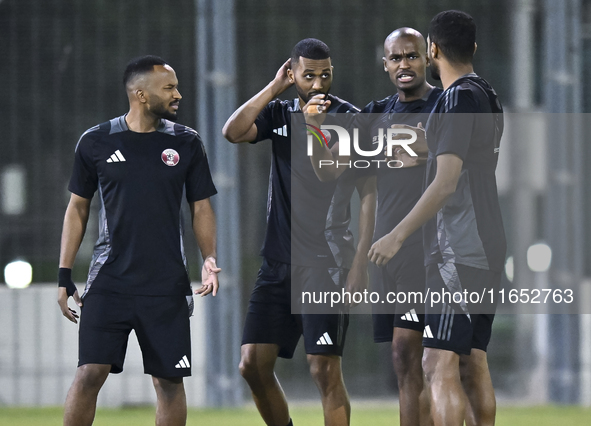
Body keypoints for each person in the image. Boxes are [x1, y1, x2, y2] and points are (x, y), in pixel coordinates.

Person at [57, 55, 220, 426]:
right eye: (169, 88)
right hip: (109, 282)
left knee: (169, 381)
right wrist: (64, 274)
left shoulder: (187, 142)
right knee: (89, 374)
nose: (178, 94)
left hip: (167, 285)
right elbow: (77, 210)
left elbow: (201, 208)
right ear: (141, 95)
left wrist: (209, 258)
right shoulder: (96, 141)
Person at [222, 38, 374, 426]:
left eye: (326, 75)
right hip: (277, 262)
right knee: (252, 364)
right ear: (293, 74)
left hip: (327, 263)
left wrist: (360, 264)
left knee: (324, 369)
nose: (319, 83)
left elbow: (362, 190)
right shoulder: (280, 111)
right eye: (309, 75)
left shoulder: (349, 119)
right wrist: (274, 88)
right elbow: (233, 132)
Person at [368, 10, 505, 426]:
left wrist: (396, 235)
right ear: (474, 48)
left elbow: (446, 184)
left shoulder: (455, 98)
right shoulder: (487, 93)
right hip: (487, 241)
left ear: (433, 50)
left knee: (437, 364)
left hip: (458, 250)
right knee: (471, 362)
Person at [355, 28, 442, 426]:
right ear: (385, 63)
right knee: (403, 359)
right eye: (395, 58)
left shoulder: (445, 105)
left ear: (427, 58)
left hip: (428, 248)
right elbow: (343, 170)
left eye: (411, 56)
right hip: (385, 251)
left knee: (426, 356)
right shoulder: (376, 113)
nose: (403, 65)